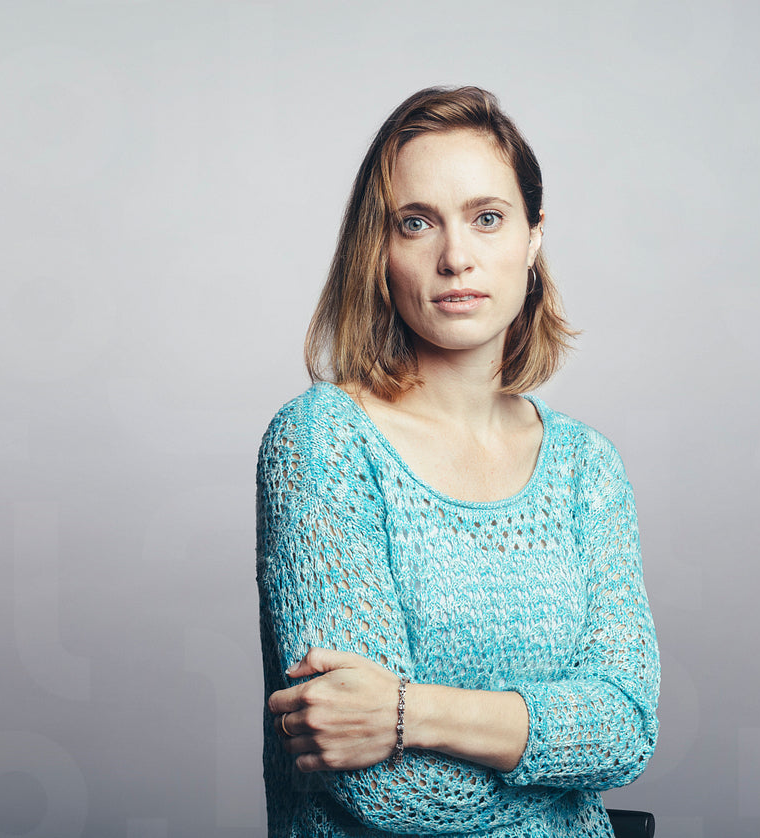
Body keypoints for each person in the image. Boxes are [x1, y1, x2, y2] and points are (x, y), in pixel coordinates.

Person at [255, 86, 660, 837]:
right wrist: (560, 772)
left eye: (487, 218)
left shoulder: (586, 467)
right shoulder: (322, 441)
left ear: (533, 239)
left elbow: (626, 727)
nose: (455, 257)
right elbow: (386, 793)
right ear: (379, 252)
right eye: (416, 223)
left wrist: (408, 714)